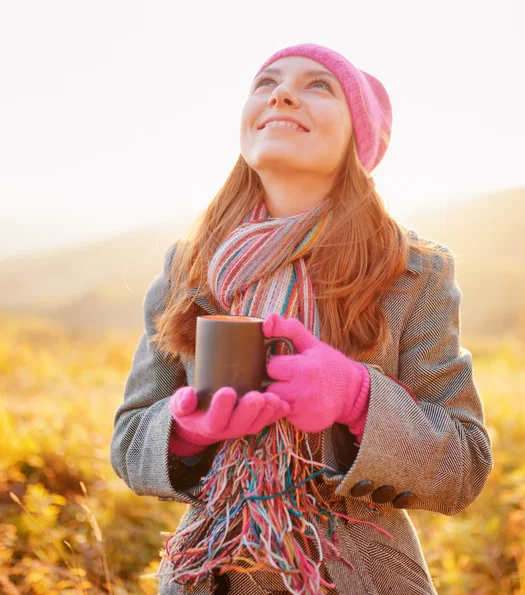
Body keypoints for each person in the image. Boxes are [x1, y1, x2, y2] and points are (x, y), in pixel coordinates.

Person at [110, 43, 494, 595]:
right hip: (210, 574)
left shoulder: (414, 272)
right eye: (266, 83)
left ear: (358, 139)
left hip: (358, 578)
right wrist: (187, 430)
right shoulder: (189, 265)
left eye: (319, 86)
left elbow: (465, 465)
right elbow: (128, 440)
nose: (281, 93)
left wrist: (356, 397)